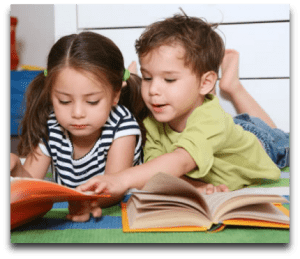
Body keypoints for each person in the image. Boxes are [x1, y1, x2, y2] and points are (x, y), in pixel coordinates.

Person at [77, 13, 288, 199]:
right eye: (147, 77)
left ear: (205, 82)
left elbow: (180, 161)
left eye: (169, 80)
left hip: (263, 144)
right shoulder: (153, 122)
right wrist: (193, 186)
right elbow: (157, 172)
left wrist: (120, 180)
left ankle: (233, 87)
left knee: (279, 137)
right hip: (218, 130)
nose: (153, 90)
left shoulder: (211, 120)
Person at [10, 31, 148, 222]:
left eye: (92, 102)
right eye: (64, 101)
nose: (77, 113)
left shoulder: (122, 126)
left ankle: (132, 74)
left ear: (116, 95)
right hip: (75, 204)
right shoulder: (52, 125)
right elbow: (30, 182)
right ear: (51, 94)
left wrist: (86, 202)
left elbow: (113, 189)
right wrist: (16, 167)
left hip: (116, 206)